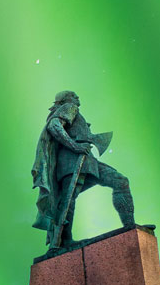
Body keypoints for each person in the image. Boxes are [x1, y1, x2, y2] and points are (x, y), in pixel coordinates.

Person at [32, 90, 139, 249]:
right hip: (72, 161)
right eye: (73, 95)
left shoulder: (73, 111)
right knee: (68, 199)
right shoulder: (69, 107)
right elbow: (54, 126)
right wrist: (75, 146)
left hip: (87, 161)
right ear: (64, 100)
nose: (77, 97)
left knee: (120, 181)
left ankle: (130, 226)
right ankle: (63, 241)